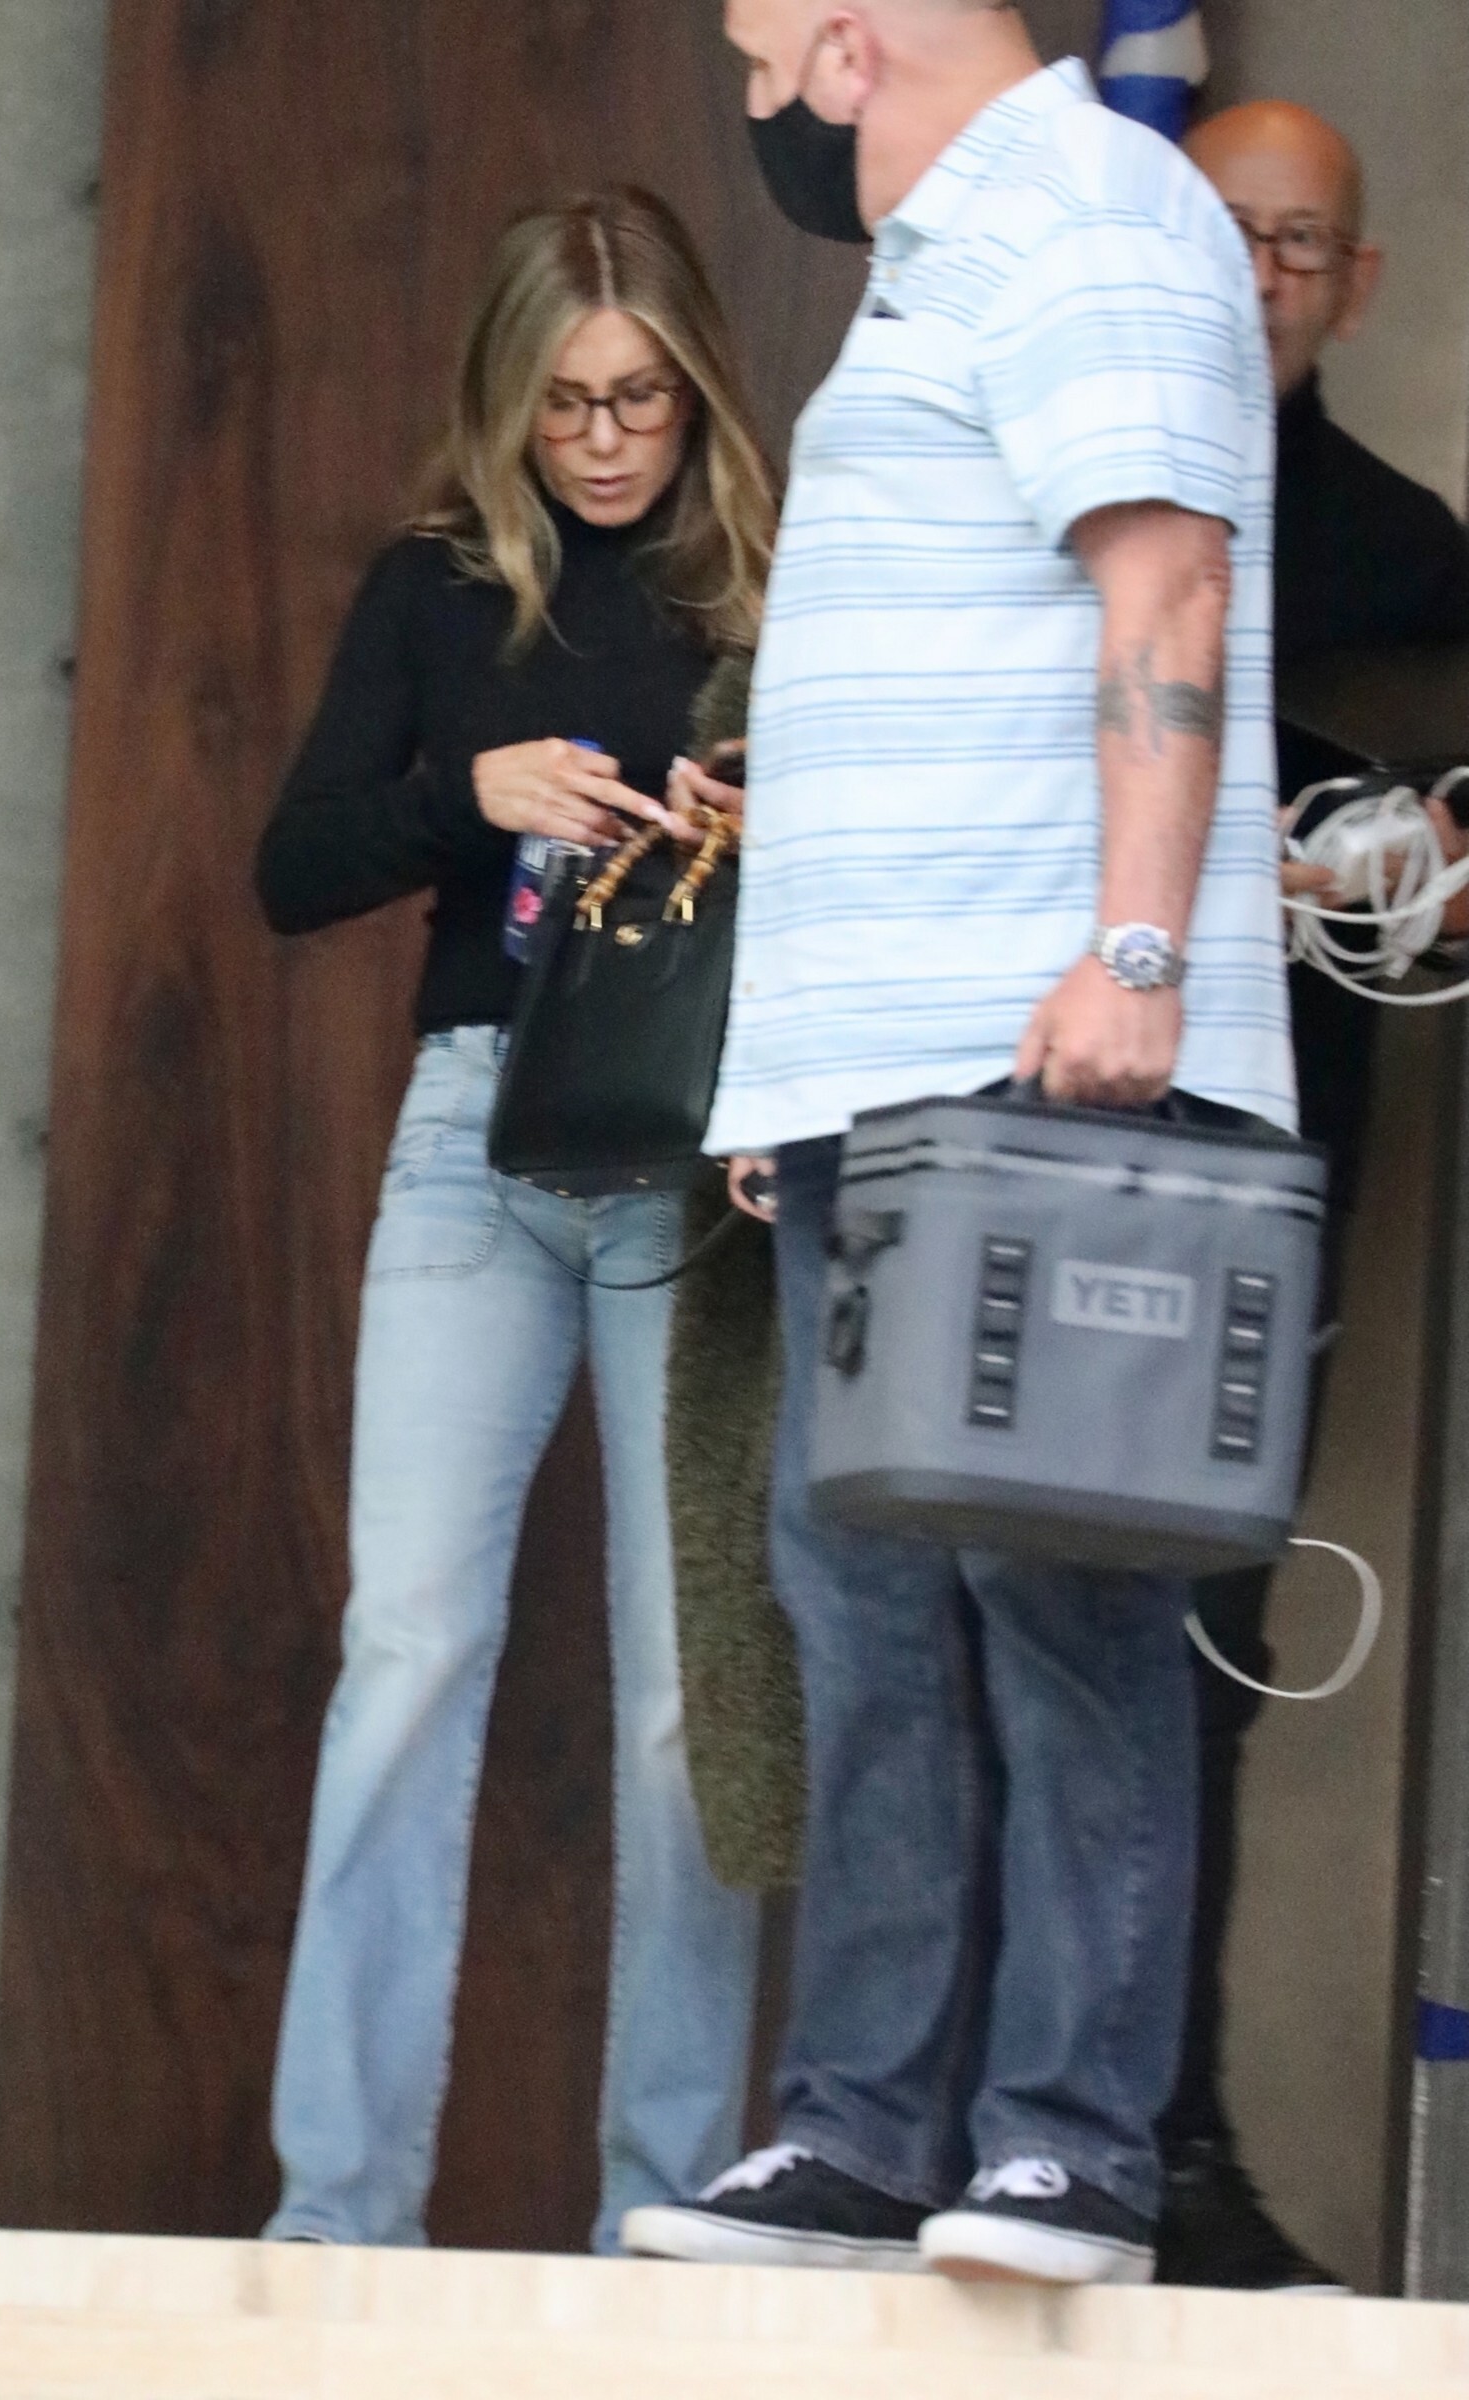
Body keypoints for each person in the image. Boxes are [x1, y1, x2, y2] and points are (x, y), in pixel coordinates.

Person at [622, 0, 1294, 2288]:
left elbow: (1164, 588)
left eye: (747, 52)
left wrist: (1133, 952)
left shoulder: (1088, 210)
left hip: (1035, 1053)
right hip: (875, 1073)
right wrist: (786, 1079)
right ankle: (861, 2130)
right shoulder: (952, 254)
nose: (747, 96)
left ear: (840, 46)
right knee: (863, 1607)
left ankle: (1065, 2148)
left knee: (1056, 1591)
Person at [254, 187, 776, 2253]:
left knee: (684, 1703)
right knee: (405, 1648)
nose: (606, 441)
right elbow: (292, 868)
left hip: (694, 1160)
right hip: (476, 1130)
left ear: (695, 389)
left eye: (641, 398)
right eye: (565, 404)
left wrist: (753, 821)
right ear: (506, 400)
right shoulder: (437, 584)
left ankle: (669, 2212)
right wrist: (462, 800)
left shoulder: (771, 580)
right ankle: (337, 2213)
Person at [1150, 101, 1469, 2295]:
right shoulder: (1059, 473)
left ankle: (1167, 2145)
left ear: (1353, 285)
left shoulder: (1402, 551)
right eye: (1224, 232)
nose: (1257, 274)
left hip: (1271, 1159)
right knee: (966, 1627)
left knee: (1200, 1641)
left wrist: (1425, 846)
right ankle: (966, 2129)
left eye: (1295, 244)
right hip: (1008, 1132)